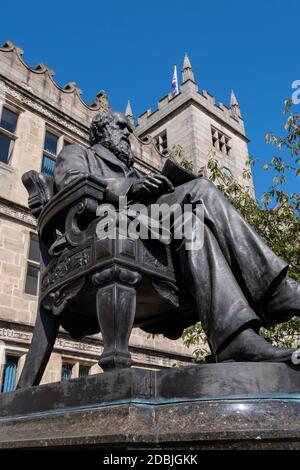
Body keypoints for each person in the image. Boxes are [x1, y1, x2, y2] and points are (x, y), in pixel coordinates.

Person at [55, 110, 300, 363]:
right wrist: (130, 188)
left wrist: (155, 185)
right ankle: (275, 292)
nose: (128, 132)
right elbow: (71, 183)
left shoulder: (135, 171)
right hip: (105, 228)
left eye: (129, 127)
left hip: (152, 231)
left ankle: (233, 338)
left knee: (196, 225)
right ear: (101, 130)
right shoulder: (77, 153)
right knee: (201, 190)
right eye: (120, 126)